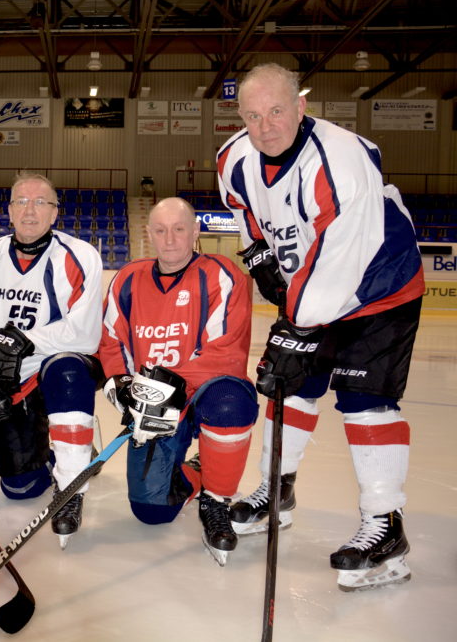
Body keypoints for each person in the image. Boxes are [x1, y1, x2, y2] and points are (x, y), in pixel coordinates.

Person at [218, 63, 424, 591]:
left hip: (379, 283)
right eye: (252, 115)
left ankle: (386, 524)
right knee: (292, 389)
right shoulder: (234, 159)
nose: (265, 126)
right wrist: (258, 254)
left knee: (365, 400)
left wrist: (297, 325)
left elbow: (340, 259)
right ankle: (276, 489)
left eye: (276, 111)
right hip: (310, 286)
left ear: (301, 105)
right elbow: (241, 209)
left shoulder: (338, 161)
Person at [98, 197, 258, 566]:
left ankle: (216, 501)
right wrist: (124, 387)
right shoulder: (127, 278)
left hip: (203, 394)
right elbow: (111, 342)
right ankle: (199, 470)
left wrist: (160, 390)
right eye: (160, 230)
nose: (169, 239)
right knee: (151, 511)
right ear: (149, 234)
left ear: (195, 231)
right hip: (155, 409)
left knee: (230, 401)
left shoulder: (221, 274)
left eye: (179, 229)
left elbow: (226, 353)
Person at [0, 172, 103, 549]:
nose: (30, 210)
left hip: (57, 369)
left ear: (55, 212)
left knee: (66, 370)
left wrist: (26, 341)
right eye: (21, 201)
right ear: (9, 211)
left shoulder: (79, 255)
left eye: (40, 202)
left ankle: (72, 484)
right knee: (19, 487)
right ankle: (71, 450)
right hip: (9, 378)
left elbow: (86, 334)